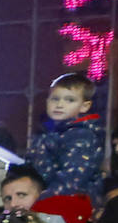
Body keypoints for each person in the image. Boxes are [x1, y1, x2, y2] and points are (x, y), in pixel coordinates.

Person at [27, 73, 105, 203]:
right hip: (44, 200)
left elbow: (71, 180)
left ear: (84, 106)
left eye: (70, 100)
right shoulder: (45, 134)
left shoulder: (82, 137)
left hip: (71, 206)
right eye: (55, 99)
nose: (60, 105)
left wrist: (37, 201)